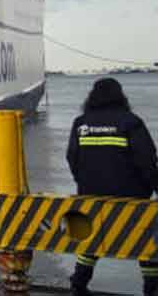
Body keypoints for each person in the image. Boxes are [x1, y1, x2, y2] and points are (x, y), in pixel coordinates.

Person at [66, 77, 158, 296]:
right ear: (120, 96)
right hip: (131, 197)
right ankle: (152, 288)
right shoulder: (131, 122)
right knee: (145, 239)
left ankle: (79, 283)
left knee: (93, 238)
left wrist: (85, 183)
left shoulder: (81, 123)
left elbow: (72, 158)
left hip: (92, 196)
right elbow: (147, 160)